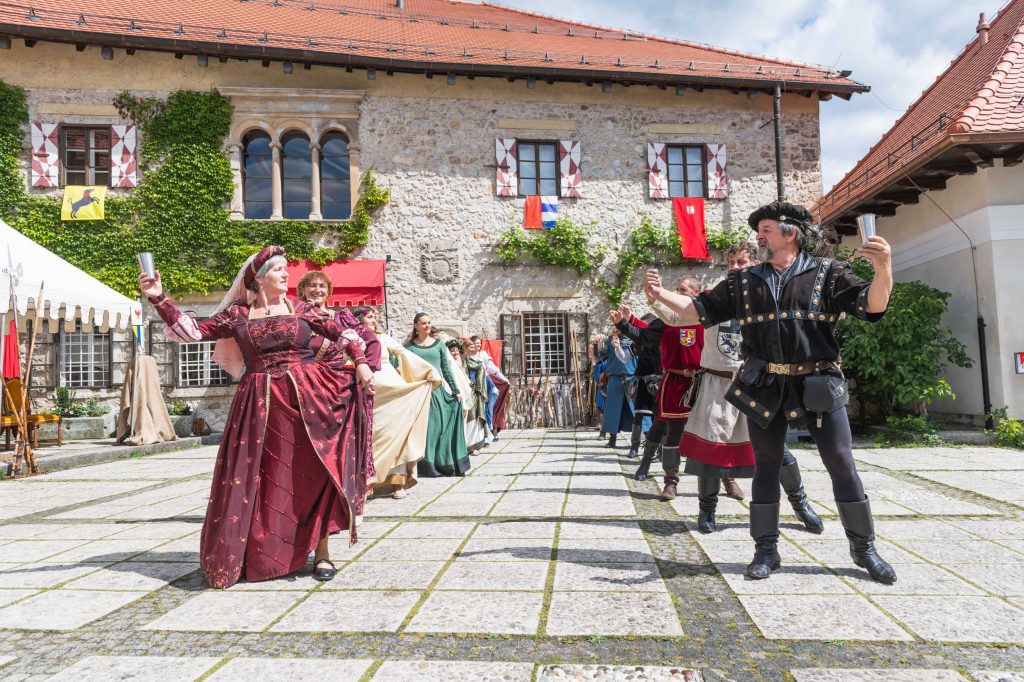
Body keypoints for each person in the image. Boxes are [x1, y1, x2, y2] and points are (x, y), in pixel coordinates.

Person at [644, 201, 897, 584]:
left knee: (842, 463)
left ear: (790, 232)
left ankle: (864, 550)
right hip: (764, 384)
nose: (759, 237)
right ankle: (766, 550)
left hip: (819, 382)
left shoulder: (829, 273)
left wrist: (883, 268)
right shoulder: (744, 281)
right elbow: (696, 310)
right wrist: (661, 293)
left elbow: (873, 305)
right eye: (759, 230)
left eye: (766, 229)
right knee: (765, 465)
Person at [139, 246, 374, 588]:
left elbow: (347, 334)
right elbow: (193, 331)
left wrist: (363, 365)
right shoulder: (237, 315)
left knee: (317, 472)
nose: (286, 274)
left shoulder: (303, 309)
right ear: (260, 279)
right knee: (262, 477)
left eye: (285, 269)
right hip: (259, 406)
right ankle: (260, 553)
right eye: (279, 270)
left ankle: (322, 551)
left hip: (309, 401)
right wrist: (159, 297)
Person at [679, 242, 823, 535]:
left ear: (757, 263)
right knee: (710, 451)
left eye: (741, 261)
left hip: (755, 385)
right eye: (730, 262)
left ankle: (801, 504)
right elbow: (679, 316)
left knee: (777, 451)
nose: (734, 267)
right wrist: (655, 295)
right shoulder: (716, 298)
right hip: (716, 386)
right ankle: (707, 510)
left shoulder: (770, 297)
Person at [294, 272, 381, 521]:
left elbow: (371, 342)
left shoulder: (341, 317)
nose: (317, 290)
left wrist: (363, 371)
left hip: (336, 391)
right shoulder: (294, 316)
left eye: (322, 286)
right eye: (312, 286)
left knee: (338, 450)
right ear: (302, 291)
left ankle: (338, 505)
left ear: (329, 291)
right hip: (303, 389)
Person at [614, 277, 703, 502]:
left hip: (704, 381)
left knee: (714, 430)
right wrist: (624, 323)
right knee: (667, 429)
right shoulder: (667, 319)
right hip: (674, 381)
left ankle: (726, 478)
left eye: (683, 289)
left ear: (696, 292)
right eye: (677, 289)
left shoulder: (708, 316)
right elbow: (645, 335)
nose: (678, 293)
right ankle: (669, 481)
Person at [352, 306, 441, 499]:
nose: (374, 321)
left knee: (397, 432)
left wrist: (427, 371)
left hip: (393, 389)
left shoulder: (383, 338)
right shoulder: (352, 339)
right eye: (370, 318)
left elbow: (402, 353)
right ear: (359, 320)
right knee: (372, 435)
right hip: (370, 390)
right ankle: (368, 482)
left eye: (375, 317)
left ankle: (397, 482)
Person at [404, 313, 470, 477]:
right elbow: (401, 368)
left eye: (429, 323)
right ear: (416, 326)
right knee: (425, 429)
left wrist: (455, 391)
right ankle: (425, 466)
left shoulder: (439, 345)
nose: (427, 326)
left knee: (438, 427)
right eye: (423, 323)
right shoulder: (408, 347)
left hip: (436, 391)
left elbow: (445, 370)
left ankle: (442, 463)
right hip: (418, 392)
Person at [612, 311, 661, 459]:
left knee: (659, 418)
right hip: (642, 381)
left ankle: (661, 451)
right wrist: (618, 347)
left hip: (659, 381)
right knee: (638, 415)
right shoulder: (638, 342)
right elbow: (626, 358)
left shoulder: (662, 340)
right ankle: (634, 447)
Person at [447, 338, 489, 453]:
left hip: (467, 394)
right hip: (453, 395)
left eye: (456, 350)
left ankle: (472, 446)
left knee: (472, 418)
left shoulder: (464, 361)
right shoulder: (448, 363)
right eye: (452, 351)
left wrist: (476, 386)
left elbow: (478, 367)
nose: (454, 353)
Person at [600, 328, 636, 448]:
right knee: (612, 412)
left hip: (632, 380)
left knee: (636, 411)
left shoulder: (636, 341)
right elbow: (598, 356)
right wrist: (595, 346)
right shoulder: (611, 342)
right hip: (615, 379)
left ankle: (637, 441)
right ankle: (612, 439)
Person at [469, 336, 510, 437]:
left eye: (479, 343)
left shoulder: (483, 355)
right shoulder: (467, 356)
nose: (478, 345)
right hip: (471, 384)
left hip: (484, 383)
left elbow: (493, 369)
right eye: (475, 343)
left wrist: (504, 379)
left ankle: (489, 431)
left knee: (486, 406)